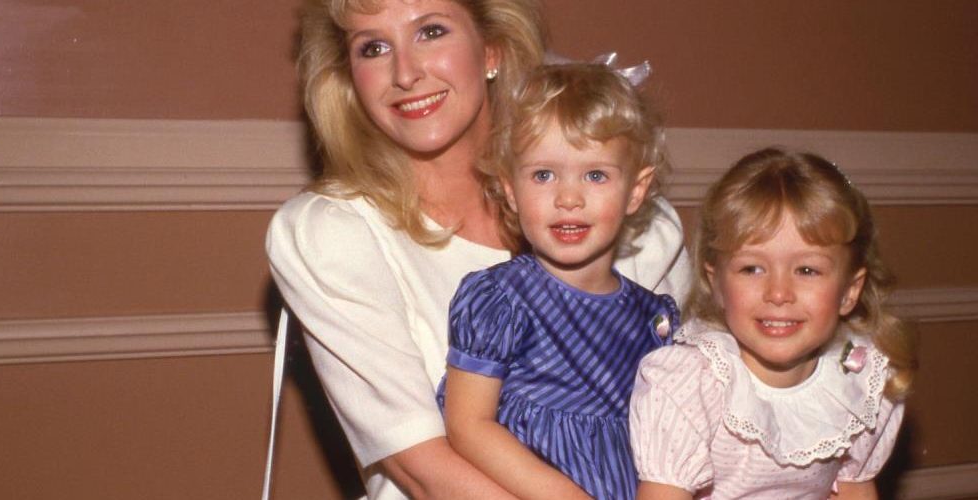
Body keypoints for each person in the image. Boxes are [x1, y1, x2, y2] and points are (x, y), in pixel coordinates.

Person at [265, 0, 691, 498]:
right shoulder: (332, 234)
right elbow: (425, 471)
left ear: (492, 49)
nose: (405, 73)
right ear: (349, 79)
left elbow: (683, 431)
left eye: (431, 32)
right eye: (374, 47)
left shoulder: (641, 228)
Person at [436, 63, 681, 500]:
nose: (568, 198)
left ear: (636, 190)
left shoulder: (652, 318)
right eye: (544, 175)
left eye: (596, 175)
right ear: (510, 189)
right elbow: (468, 425)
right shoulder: (500, 300)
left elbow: (670, 445)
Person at [629, 148, 917, 499]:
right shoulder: (690, 386)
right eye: (752, 268)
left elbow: (855, 489)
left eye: (807, 270)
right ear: (716, 284)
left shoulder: (857, 379)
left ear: (849, 292)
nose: (779, 293)